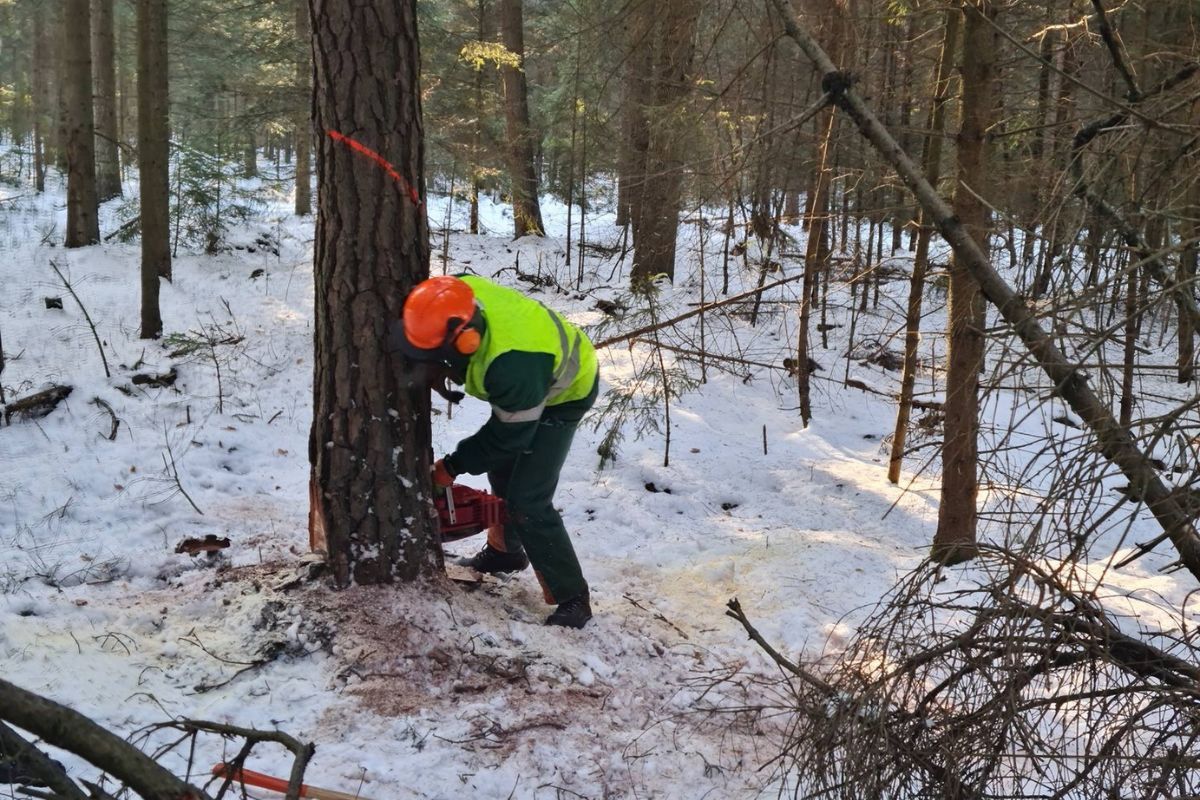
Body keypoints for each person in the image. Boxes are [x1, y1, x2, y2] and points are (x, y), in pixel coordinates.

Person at [394, 274, 599, 629]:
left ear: (465, 343)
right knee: (502, 471)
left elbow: (508, 437)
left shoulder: (511, 367)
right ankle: (505, 553)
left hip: (565, 393)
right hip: (530, 376)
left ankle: (573, 596)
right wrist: (435, 364)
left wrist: (451, 466)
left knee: (527, 499)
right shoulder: (453, 296)